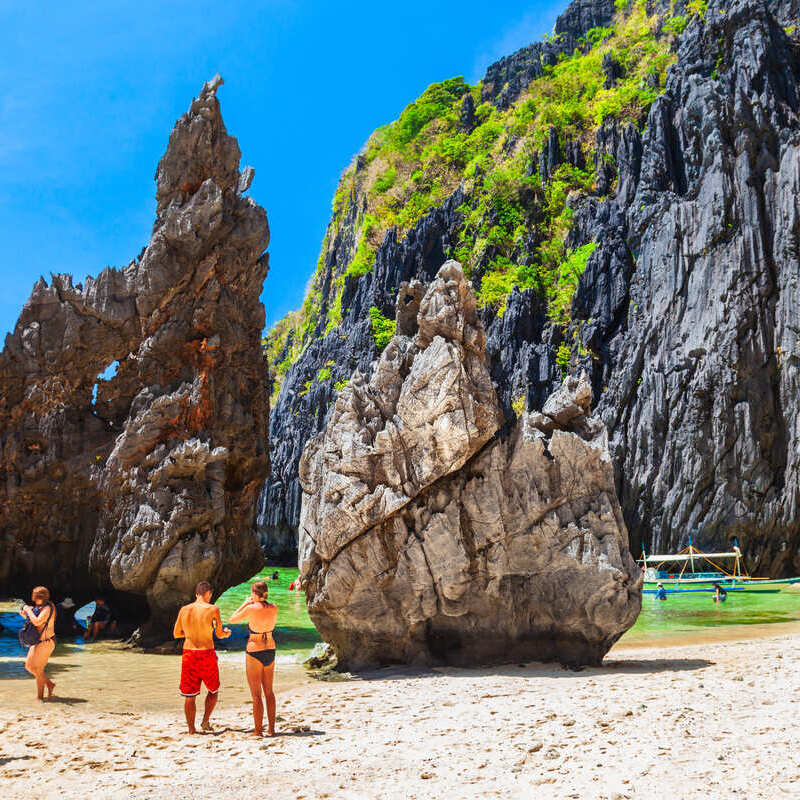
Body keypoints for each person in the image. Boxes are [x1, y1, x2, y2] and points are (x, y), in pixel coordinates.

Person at [173, 581, 231, 734]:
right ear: (209, 594)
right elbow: (219, 634)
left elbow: (177, 633)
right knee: (213, 690)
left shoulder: (184, 609)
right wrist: (226, 633)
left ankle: (191, 730)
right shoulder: (213, 609)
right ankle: (205, 721)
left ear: (196, 594)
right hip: (206, 653)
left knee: (189, 695)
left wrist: (191, 633)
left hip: (189, 653)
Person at [229, 580, 278, 737]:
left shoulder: (251, 608)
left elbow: (232, 619)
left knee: (256, 695)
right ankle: (271, 729)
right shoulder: (274, 608)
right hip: (270, 648)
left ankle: (258, 731)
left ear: (254, 594)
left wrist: (244, 603)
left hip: (254, 649)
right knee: (269, 692)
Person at [20, 586, 57, 700]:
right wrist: (26, 615)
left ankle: (40, 697)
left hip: (46, 642)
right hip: (38, 641)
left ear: (36, 597)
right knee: (29, 666)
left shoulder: (48, 608)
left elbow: (37, 622)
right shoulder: (40, 607)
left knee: (38, 669)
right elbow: (36, 621)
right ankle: (49, 684)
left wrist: (28, 610)